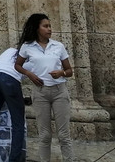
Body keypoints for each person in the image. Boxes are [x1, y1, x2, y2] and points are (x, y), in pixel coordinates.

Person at [16, 13, 73, 162]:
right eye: (45, 26)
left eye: (50, 26)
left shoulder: (58, 46)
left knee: (63, 135)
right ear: (37, 28)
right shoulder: (27, 47)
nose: (49, 29)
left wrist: (61, 72)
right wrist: (30, 74)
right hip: (40, 93)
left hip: (59, 91)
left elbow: (69, 71)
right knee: (45, 135)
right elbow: (17, 65)